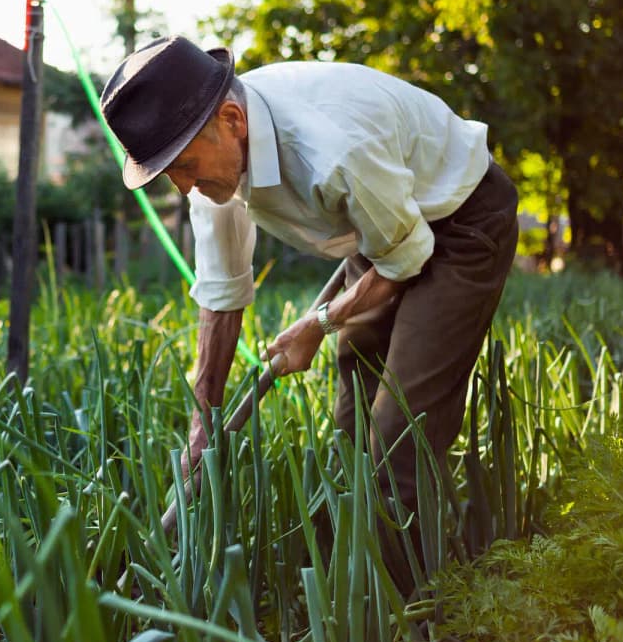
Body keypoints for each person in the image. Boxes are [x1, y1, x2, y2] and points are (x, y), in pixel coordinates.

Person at [100, 35, 518, 593]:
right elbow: (222, 298)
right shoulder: (208, 170)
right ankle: (349, 576)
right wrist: (205, 421)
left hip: (461, 221)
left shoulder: (331, 148)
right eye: (168, 174)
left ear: (232, 120)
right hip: (383, 231)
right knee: (353, 420)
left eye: (184, 165)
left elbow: (407, 258)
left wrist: (318, 325)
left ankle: (414, 620)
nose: (182, 186)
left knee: (399, 432)